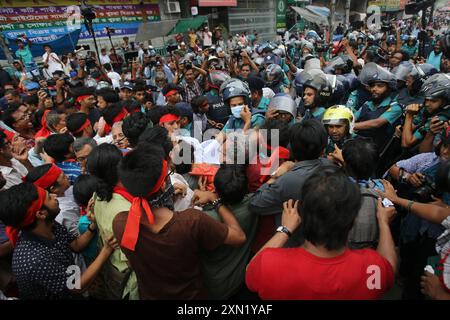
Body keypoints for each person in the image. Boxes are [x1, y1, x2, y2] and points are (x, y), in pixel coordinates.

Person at [112, 143, 246, 299]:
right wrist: (215, 200)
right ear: (163, 186)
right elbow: (239, 237)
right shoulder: (192, 221)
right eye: (168, 176)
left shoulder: (121, 223)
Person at [246, 166, 397, 300]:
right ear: (353, 220)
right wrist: (383, 223)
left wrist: (286, 229)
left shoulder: (270, 265)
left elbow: (251, 271)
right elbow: (389, 268)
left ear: (301, 215)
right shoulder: (372, 269)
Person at [0, 182, 118, 299]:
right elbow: (77, 286)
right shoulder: (36, 260)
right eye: (48, 197)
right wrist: (106, 251)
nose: (54, 196)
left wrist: (93, 224)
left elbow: (76, 245)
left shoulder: (50, 225)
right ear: (41, 214)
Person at [249, 119, 332, 247]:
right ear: (323, 149)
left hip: (292, 243)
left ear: (290, 148)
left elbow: (255, 204)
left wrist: (275, 176)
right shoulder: (330, 167)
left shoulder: (287, 179)